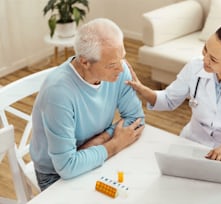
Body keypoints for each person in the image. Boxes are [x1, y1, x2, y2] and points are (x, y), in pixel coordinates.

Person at [126, 23, 221, 162]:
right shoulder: (195, 66)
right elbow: (169, 99)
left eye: (213, 59)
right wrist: (142, 89)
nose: (205, 60)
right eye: (205, 50)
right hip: (193, 141)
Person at [30, 18, 145, 191]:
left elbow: (136, 119)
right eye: (112, 64)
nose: (121, 69)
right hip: (56, 175)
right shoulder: (58, 93)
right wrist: (114, 144)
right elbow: (67, 167)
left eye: (122, 58)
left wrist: (99, 141)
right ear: (84, 62)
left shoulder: (119, 70)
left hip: (95, 154)